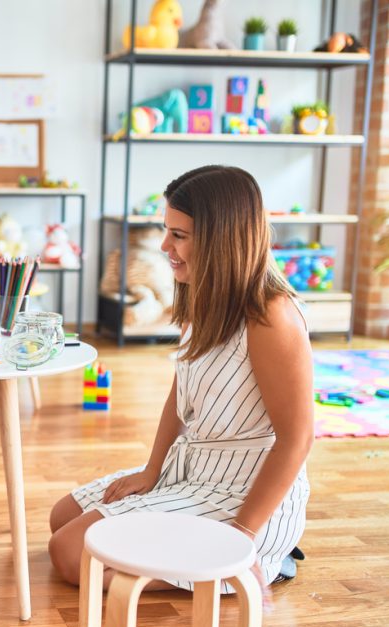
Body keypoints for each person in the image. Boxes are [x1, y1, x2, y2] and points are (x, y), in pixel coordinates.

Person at [48, 165, 313, 597]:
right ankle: (186, 560)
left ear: (221, 239)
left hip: (244, 494)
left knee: (69, 553)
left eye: (179, 235)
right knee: (63, 517)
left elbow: (297, 439)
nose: (164, 246)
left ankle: (244, 564)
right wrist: (152, 471)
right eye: (166, 231)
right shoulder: (202, 294)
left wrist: (243, 533)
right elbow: (180, 391)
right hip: (191, 469)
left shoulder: (272, 316)